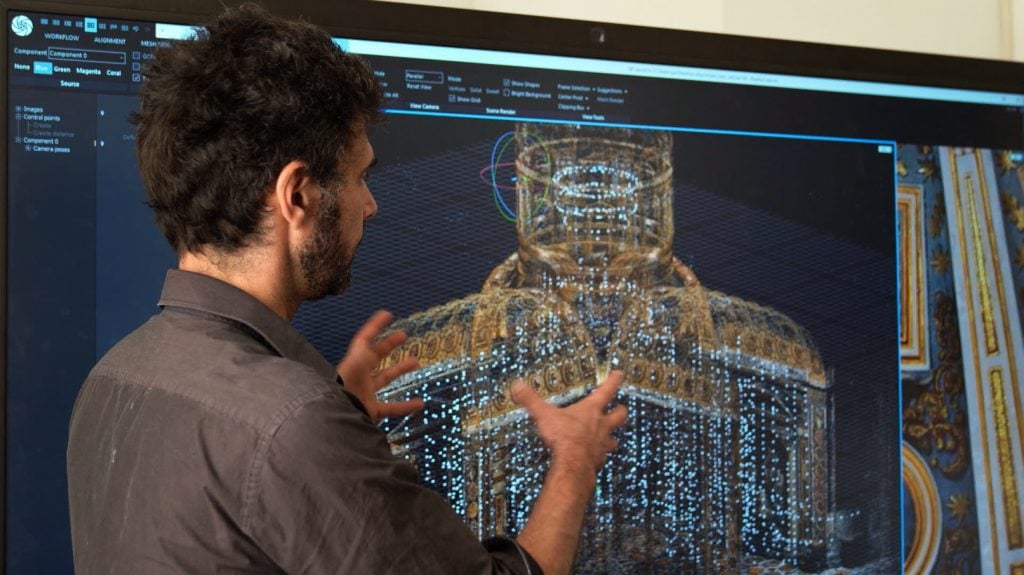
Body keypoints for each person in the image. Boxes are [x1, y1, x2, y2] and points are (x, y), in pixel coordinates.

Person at [65, 4, 627, 575]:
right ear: (298, 196)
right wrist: (575, 461)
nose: (370, 203)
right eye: (360, 176)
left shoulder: (112, 379)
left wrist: (338, 406)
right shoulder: (292, 426)